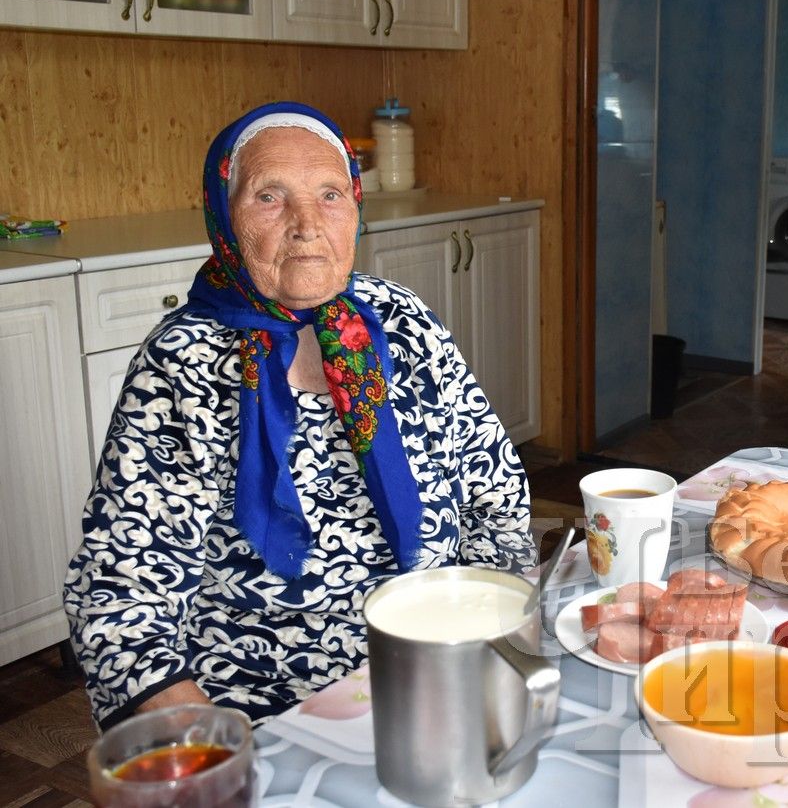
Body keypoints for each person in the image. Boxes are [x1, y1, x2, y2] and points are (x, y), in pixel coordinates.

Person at [65, 102, 536, 729]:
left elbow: (495, 497)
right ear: (224, 216)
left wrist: (498, 640)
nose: (307, 224)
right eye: (269, 197)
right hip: (272, 713)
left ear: (356, 208)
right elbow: (120, 604)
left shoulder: (402, 320)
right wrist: (224, 755)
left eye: (331, 195)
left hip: (444, 664)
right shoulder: (184, 366)